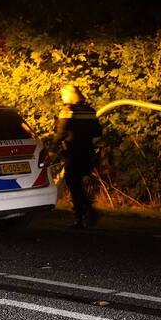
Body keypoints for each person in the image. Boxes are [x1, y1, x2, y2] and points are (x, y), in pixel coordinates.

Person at [55, 84, 102, 229]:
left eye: (63, 94)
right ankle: (85, 214)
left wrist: (52, 149)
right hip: (88, 153)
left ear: (69, 95)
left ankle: (84, 214)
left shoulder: (67, 112)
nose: (62, 97)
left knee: (73, 183)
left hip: (74, 153)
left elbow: (60, 134)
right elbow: (97, 132)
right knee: (77, 183)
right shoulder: (90, 111)